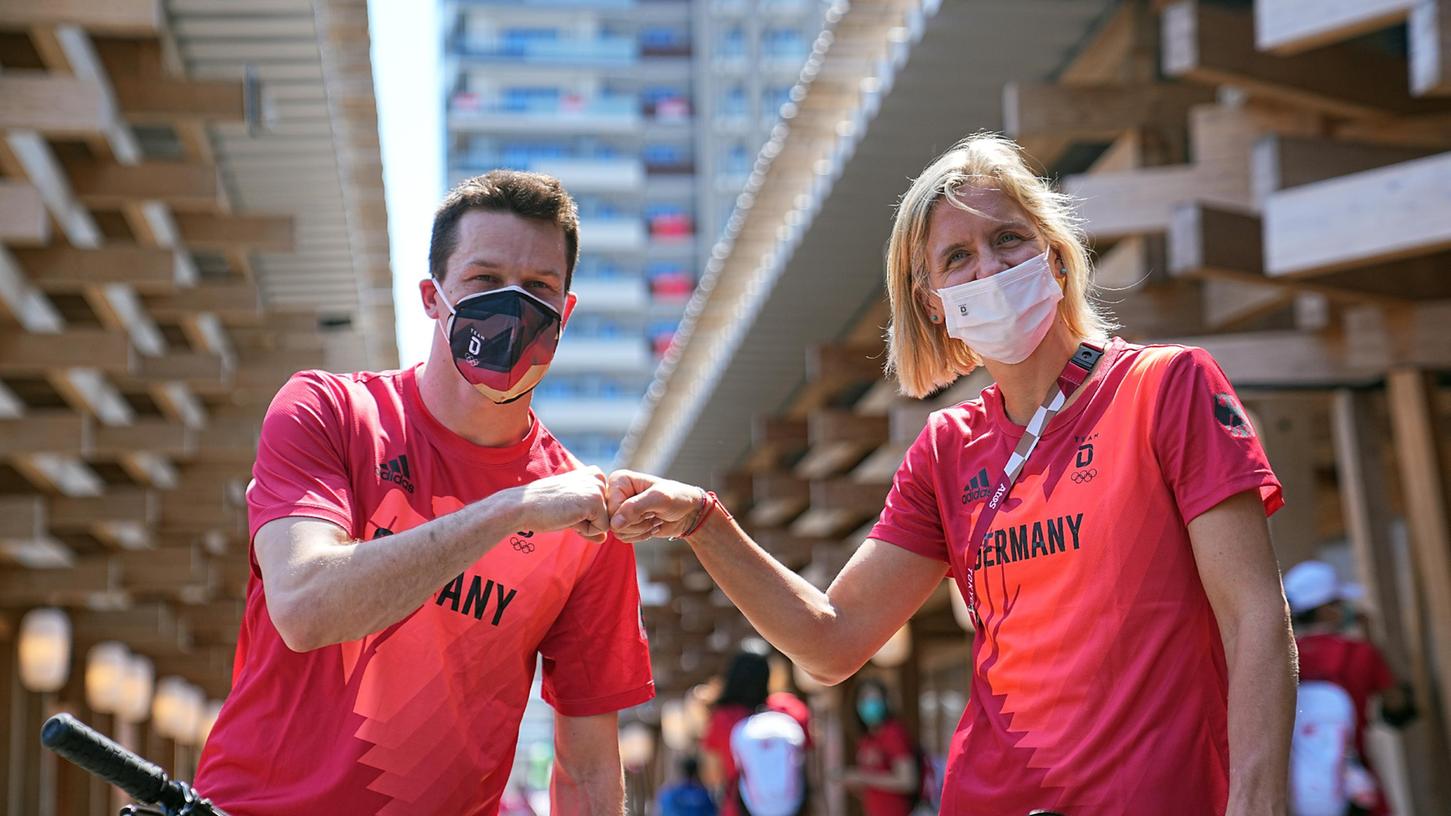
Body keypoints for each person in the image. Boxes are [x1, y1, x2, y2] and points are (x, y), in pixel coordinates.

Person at [605, 133, 1297, 814]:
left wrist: (1255, 803)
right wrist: (703, 521)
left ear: (1054, 255)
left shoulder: (1164, 388)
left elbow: (1255, 619)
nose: (987, 269)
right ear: (932, 299)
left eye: (1007, 239)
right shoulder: (946, 448)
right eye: (956, 257)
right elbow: (831, 641)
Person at [194, 171, 654, 814]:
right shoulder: (329, 412)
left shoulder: (583, 521)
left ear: (566, 314)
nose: (513, 306)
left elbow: (588, 770)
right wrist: (511, 508)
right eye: (484, 280)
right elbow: (304, 606)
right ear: (432, 298)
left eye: (540, 288)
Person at [1285, 560, 1416, 816]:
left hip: (1297, 794)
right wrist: (1371, 636)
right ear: (1325, 610)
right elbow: (1398, 707)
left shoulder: (1283, 658)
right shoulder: (1360, 653)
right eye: (1339, 602)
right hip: (1356, 790)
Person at [702, 649, 808, 816]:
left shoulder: (722, 718)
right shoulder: (790, 709)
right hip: (794, 808)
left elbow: (713, 775)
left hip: (740, 808)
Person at [840, 679, 918, 816]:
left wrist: (863, 777)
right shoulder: (866, 739)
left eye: (875, 698)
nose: (870, 704)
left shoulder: (892, 733)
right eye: (865, 698)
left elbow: (907, 780)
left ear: (885, 702)